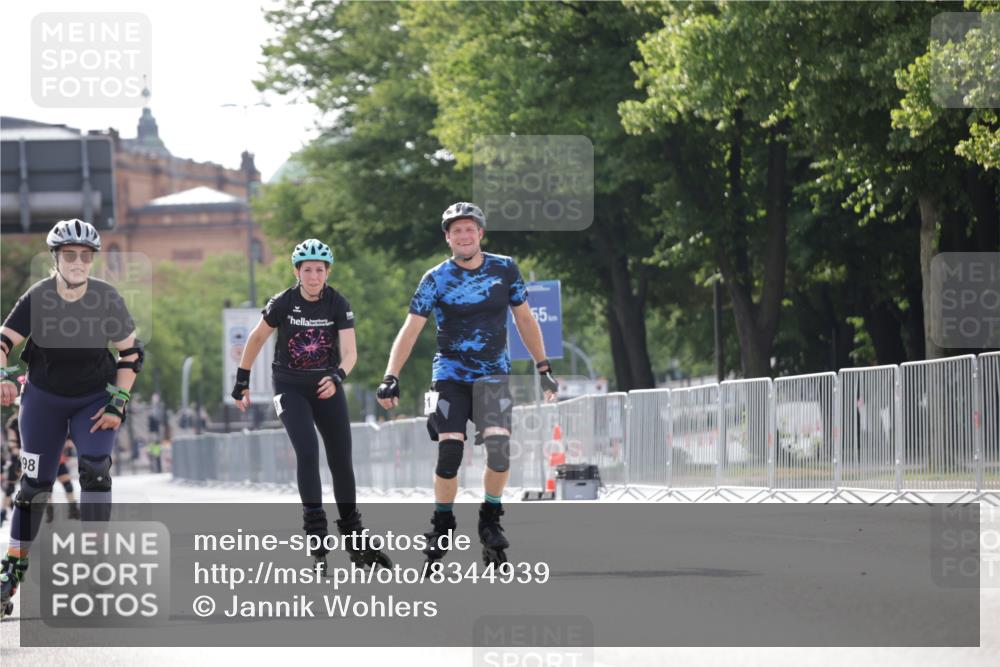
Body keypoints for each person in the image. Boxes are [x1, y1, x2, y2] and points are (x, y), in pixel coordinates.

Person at [376, 202, 559, 569]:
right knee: (450, 453)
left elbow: (524, 319)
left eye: (469, 229)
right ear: (448, 237)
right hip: (449, 378)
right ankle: (442, 521)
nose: (463, 235)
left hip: (493, 376)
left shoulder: (504, 269)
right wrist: (390, 376)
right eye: (456, 230)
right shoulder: (435, 278)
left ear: (480, 234)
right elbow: (411, 329)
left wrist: (543, 367)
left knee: (500, 450)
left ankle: (489, 519)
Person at [0, 218, 143, 618]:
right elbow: (3, 342)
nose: (78, 262)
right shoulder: (38, 296)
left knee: (96, 470)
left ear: (92, 260)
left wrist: (118, 403)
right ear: (56, 258)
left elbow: (131, 355)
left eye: (85, 256)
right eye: (69, 255)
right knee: (33, 488)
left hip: (93, 399)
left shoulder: (106, 298)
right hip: (43, 400)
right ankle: (10, 573)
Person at [232, 239, 390, 574]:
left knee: (341, 460)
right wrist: (242, 380)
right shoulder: (283, 302)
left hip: (326, 385)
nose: (314, 276)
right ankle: (317, 537)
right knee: (307, 452)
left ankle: (354, 535)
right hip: (290, 387)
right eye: (307, 270)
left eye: (320, 269)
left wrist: (337, 375)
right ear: (296, 272)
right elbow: (257, 338)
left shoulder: (337, 303)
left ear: (327, 272)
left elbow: (350, 353)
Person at [46, 436, 81, 523]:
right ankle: (50, 514)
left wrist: (68, 442)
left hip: (58, 460)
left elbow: (68, 435)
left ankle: (74, 511)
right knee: (47, 488)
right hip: (45, 461)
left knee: (68, 486)